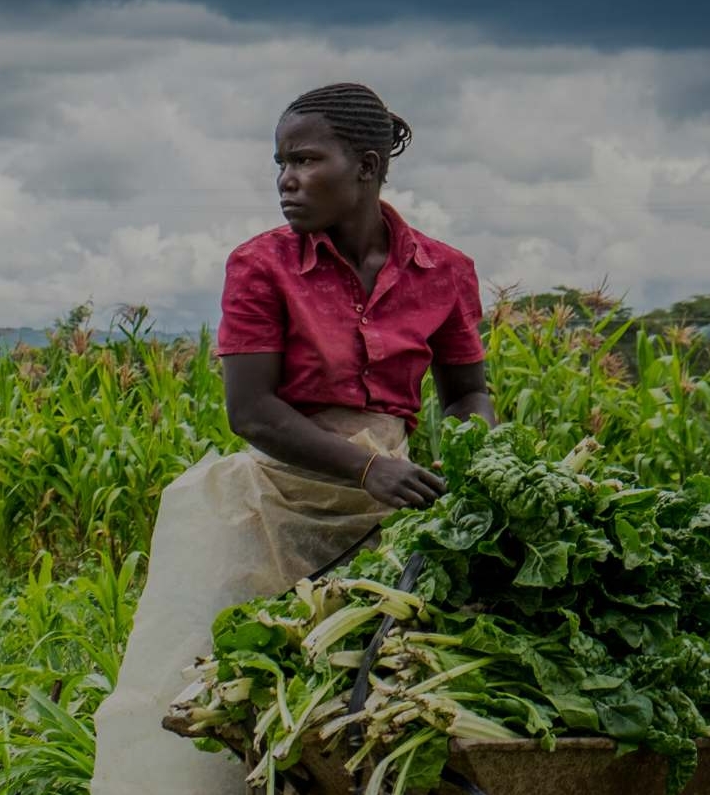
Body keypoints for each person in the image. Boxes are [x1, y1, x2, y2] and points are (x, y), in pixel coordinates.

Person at [90, 82, 499, 793]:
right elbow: (251, 411)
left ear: (367, 167)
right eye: (280, 162)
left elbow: (467, 392)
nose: (286, 180)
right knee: (211, 690)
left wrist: (466, 463)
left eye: (306, 160)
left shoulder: (444, 271)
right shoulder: (262, 265)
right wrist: (368, 468)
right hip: (272, 504)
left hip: (392, 512)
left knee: (389, 700)